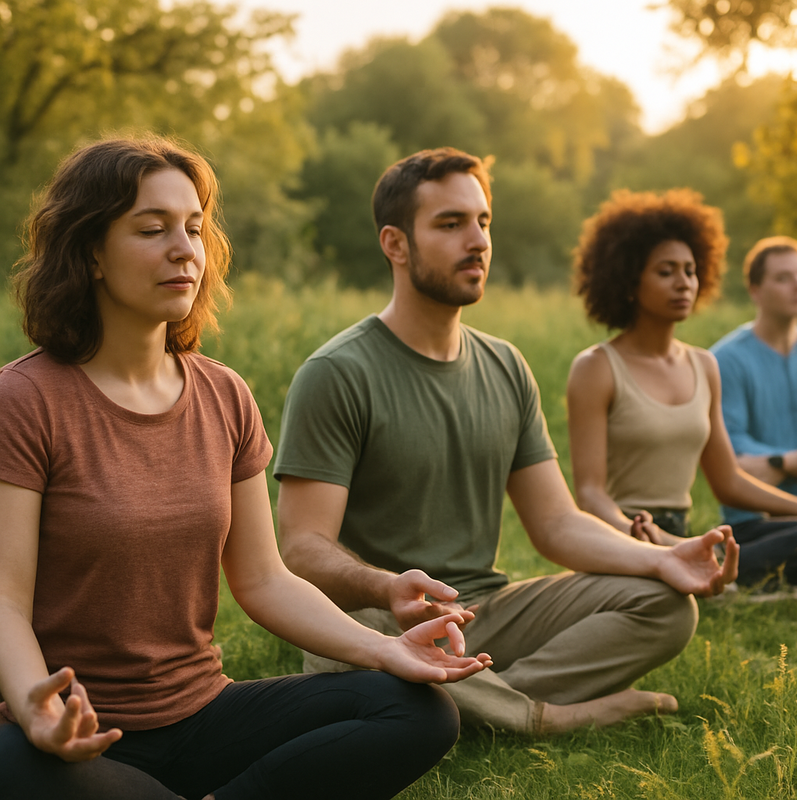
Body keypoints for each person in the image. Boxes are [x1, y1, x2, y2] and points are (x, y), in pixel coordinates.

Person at [0, 137, 493, 800]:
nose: (185, 250)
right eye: (153, 230)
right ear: (90, 251)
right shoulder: (25, 401)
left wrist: (384, 650)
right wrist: (37, 708)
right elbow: (5, 599)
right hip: (72, 735)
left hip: (203, 716)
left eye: (195, 229)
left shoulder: (223, 396)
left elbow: (263, 580)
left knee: (415, 710)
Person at [273, 148, 739, 738]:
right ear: (395, 244)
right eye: (450, 224)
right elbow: (303, 548)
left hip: (486, 609)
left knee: (667, 604)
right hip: (385, 616)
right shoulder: (338, 372)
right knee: (346, 645)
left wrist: (662, 557)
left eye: (483, 221)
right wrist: (385, 586)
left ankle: (471, 700)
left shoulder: (506, 365)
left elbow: (557, 525)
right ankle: (536, 715)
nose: (477, 240)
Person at [567, 190, 797, 592]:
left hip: (682, 537)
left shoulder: (703, 365)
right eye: (666, 271)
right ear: (628, 280)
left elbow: (727, 480)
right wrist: (635, 533)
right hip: (621, 541)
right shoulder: (596, 368)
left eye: (690, 270)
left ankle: (723, 577)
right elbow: (589, 493)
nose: (683, 283)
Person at [710, 236, 797, 587]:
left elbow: (754, 461)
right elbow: (733, 462)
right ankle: (721, 567)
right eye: (783, 278)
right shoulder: (725, 361)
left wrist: (775, 464)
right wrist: (792, 461)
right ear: (755, 290)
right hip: (755, 523)